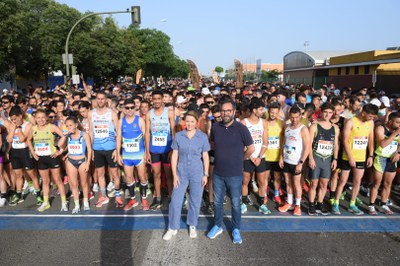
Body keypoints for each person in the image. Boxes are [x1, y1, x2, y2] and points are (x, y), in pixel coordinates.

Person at [207, 99, 254, 244]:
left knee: (235, 203)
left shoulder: (241, 128)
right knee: (217, 203)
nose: (225, 113)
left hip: (235, 174)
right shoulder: (215, 127)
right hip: (218, 173)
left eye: (228, 111)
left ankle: (236, 229)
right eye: (223, 111)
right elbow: (212, 144)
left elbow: (251, 148)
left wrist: (240, 159)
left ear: (233, 112)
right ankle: (217, 225)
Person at [163, 111, 210, 240]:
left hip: (197, 172)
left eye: (192, 121)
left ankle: (192, 224)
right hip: (181, 172)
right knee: (175, 201)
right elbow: (174, 156)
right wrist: (174, 175)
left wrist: (205, 174)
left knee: (195, 200)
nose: (189, 124)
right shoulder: (179, 136)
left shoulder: (202, 137)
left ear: (197, 123)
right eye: (187, 121)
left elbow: (205, 156)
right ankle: (172, 227)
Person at [332, 104, 378, 215]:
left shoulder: (370, 123)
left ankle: (352, 204)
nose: (371, 119)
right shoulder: (351, 121)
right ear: (363, 113)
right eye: (370, 116)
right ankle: (336, 203)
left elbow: (371, 139)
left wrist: (371, 155)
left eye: (373, 117)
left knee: (357, 181)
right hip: (347, 157)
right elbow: (345, 140)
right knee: (342, 180)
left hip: (361, 157)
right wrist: (350, 157)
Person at [27, 109, 67, 212]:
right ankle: (46, 203)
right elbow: (28, 140)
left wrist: (60, 151)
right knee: (45, 181)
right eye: (38, 118)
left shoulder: (52, 127)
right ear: (35, 119)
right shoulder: (33, 128)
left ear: (46, 118)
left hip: (52, 157)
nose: (41, 120)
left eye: (43, 117)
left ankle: (64, 203)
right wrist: (33, 152)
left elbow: (64, 136)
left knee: (58, 180)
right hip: (41, 158)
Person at [88, 91, 121, 208]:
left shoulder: (112, 113)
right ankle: (103, 196)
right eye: (98, 98)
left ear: (106, 100)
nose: (100, 101)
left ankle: (117, 195)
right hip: (97, 148)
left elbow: (118, 132)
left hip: (110, 148)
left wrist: (117, 150)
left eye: (102, 99)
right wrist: (91, 150)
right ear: (96, 100)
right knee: (100, 173)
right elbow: (91, 132)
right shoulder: (91, 113)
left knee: (115, 174)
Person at [116, 99, 150, 211]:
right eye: (127, 108)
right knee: (128, 178)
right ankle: (133, 199)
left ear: (135, 108)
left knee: (142, 177)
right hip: (127, 156)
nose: (130, 110)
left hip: (139, 155)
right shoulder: (121, 122)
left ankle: (144, 199)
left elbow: (145, 137)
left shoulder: (140, 120)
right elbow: (118, 138)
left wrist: (147, 152)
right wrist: (118, 153)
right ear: (124, 109)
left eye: (132, 107)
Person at [145, 90, 175, 210]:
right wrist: (147, 152)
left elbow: (173, 131)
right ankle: (157, 198)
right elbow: (147, 133)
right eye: (154, 99)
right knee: (156, 174)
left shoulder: (170, 112)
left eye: (159, 98)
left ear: (163, 99)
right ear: (152, 100)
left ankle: (172, 198)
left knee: (169, 175)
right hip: (154, 150)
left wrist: (173, 149)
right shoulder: (149, 114)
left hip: (167, 149)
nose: (157, 101)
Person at [6, 106, 42, 206]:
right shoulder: (11, 125)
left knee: (32, 174)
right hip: (15, 152)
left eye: (15, 118)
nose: (13, 121)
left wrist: (19, 128)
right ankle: (18, 194)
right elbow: (9, 140)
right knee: (18, 175)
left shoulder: (28, 125)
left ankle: (38, 194)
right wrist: (13, 129)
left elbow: (22, 139)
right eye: (12, 119)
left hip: (25, 152)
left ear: (20, 116)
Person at [307, 103, 339, 215]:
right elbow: (309, 145)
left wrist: (335, 159)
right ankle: (311, 205)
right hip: (316, 158)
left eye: (330, 112)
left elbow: (335, 145)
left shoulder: (335, 128)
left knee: (324, 184)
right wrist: (310, 158)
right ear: (321, 112)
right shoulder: (314, 126)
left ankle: (319, 204)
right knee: (314, 184)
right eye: (325, 112)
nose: (327, 114)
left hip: (327, 159)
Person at [278, 107, 310, 216]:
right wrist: (281, 157)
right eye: (292, 117)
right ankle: (289, 202)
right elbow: (284, 142)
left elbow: (307, 147)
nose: (294, 119)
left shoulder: (303, 129)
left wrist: (301, 163)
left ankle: (298, 205)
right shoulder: (287, 127)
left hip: (297, 162)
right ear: (289, 116)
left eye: (296, 117)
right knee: (288, 182)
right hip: (286, 160)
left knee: (297, 184)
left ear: (300, 116)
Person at [240, 98, 270, 215]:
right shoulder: (243, 123)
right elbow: (241, 143)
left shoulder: (264, 122)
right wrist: (251, 157)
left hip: (260, 157)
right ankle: (243, 203)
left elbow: (265, 142)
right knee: (245, 182)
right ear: (254, 110)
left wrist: (259, 156)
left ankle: (262, 204)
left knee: (262, 182)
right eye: (261, 109)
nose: (263, 111)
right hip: (247, 158)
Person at [369, 112, 400, 215]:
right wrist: (394, 134)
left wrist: (398, 153)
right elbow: (382, 144)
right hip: (380, 158)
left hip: (391, 160)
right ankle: (371, 205)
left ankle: (383, 204)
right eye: (397, 122)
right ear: (390, 122)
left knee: (388, 184)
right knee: (377, 183)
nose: (399, 125)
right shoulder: (380, 128)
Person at [62, 116, 92, 213]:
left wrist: (88, 163)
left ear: (76, 125)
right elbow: (60, 145)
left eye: (70, 125)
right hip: (71, 161)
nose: (69, 127)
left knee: (83, 183)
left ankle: (86, 202)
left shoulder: (84, 135)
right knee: (74, 184)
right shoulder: (68, 136)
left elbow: (90, 150)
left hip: (82, 160)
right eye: (67, 126)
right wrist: (65, 136)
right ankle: (76, 205)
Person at [265, 102, 284, 205]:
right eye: (272, 112)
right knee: (265, 177)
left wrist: (281, 156)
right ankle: (264, 195)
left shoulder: (282, 124)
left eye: (275, 113)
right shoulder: (264, 123)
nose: (273, 115)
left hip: (277, 156)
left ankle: (276, 194)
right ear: (268, 112)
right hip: (266, 155)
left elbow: (285, 140)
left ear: (278, 113)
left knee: (277, 177)